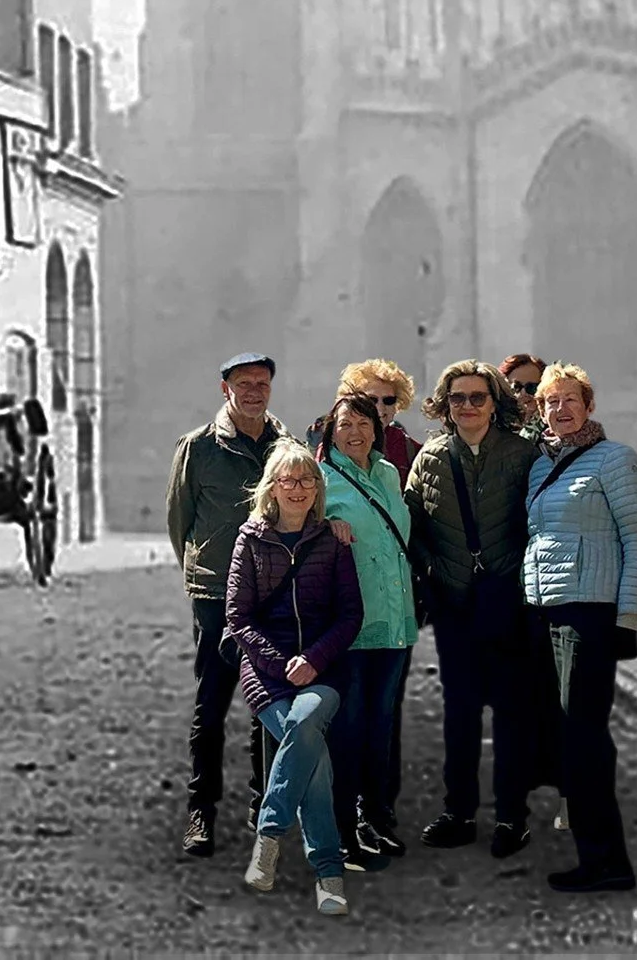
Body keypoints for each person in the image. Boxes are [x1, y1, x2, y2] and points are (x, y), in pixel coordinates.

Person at [523, 362, 637, 893]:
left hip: (590, 616)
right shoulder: (539, 468)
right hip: (546, 614)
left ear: (589, 405)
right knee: (563, 738)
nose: (560, 409)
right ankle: (595, 854)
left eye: (570, 399)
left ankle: (607, 861)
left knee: (585, 739)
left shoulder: (616, 460)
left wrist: (629, 619)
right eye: (550, 402)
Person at [403, 360, 542, 857]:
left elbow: (541, 521)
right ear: (445, 405)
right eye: (457, 398)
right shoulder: (432, 457)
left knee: (510, 712)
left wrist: (523, 572)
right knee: (459, 711)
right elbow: (411, 522)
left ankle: (511, 818)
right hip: (455, 602)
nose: (467, 406)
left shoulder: (524, 454)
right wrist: (434, 569)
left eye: (477, 397)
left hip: (507, 597)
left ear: (495, 402)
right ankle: (459, 811)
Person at [226, 439, 364, 917]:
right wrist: (282, 662)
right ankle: (329, 874)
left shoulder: (332, 539)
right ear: (272, 487)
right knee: (314, 757)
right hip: (268, 675)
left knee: (306, 727)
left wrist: (313, 660)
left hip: (323, 671)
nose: (299, 488)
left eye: (308, 479)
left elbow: (350, 615)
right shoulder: (250, 539)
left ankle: (268, 835)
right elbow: (238, 618)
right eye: (289, 479)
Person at [166, 352, 289, 858]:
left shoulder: (287, 447)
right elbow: (180, 522)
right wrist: (202, 577)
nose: (255, 391)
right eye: (245, 383)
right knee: (212, 701)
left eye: (262, 383)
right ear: (226, 389)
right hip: (216, 594)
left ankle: (265, 809)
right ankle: (202, 811)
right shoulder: (197, 449)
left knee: (271, 704)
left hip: (275, 593)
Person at [318, 391, 419, 867]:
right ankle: (340, 832)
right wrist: (326, 528)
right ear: (330, 433)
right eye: (345, 425)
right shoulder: (318, 480)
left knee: (380, 730)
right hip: (350, 629)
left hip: (394, 623)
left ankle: (375, 820)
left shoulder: (387, 474)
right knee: (348, 730)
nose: (355, 432)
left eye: (363, 423)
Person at [498, 353, 547, 443]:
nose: (523, 393)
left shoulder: (554, 430)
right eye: (516, 387)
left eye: (532, 387)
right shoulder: (495, 428)